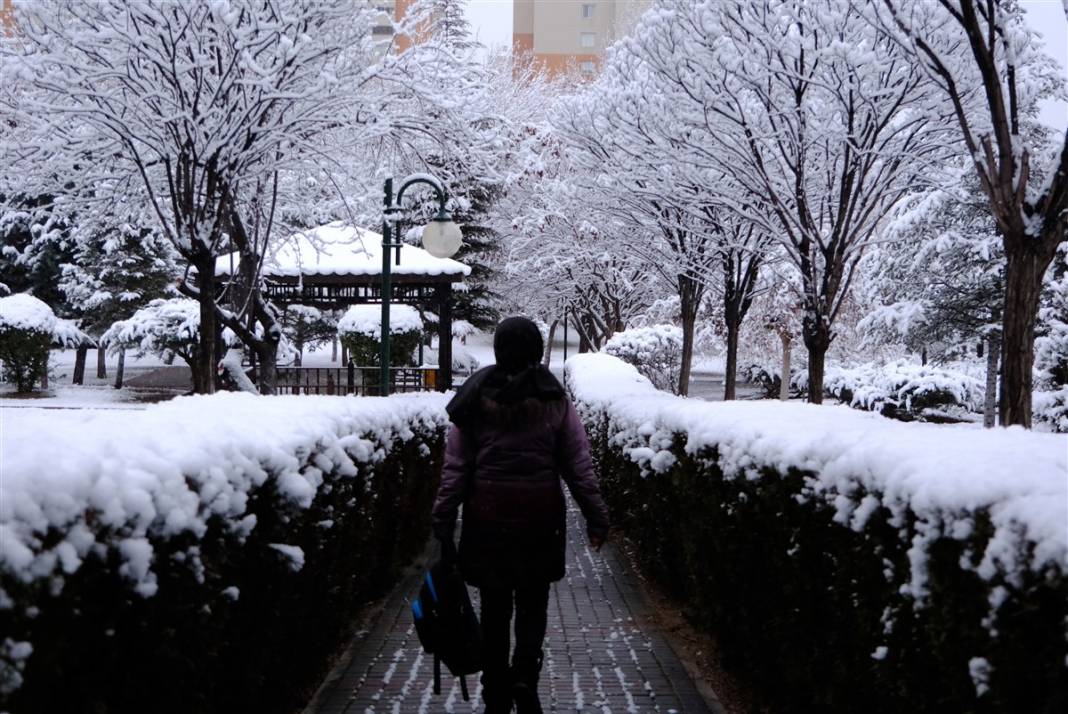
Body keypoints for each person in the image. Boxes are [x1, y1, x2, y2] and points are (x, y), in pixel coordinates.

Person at [432, 316, 611, 714]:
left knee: (495, 608)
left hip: (487, 519)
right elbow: (579, 464)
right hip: (540, 520)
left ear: (498, 349)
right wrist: (597, 517)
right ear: (535, 349)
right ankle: (524, 676)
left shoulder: (475, 397)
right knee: (534, 603)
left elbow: (457, 466)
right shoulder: (554, 398)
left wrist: (443, 516)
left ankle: (496, 688)